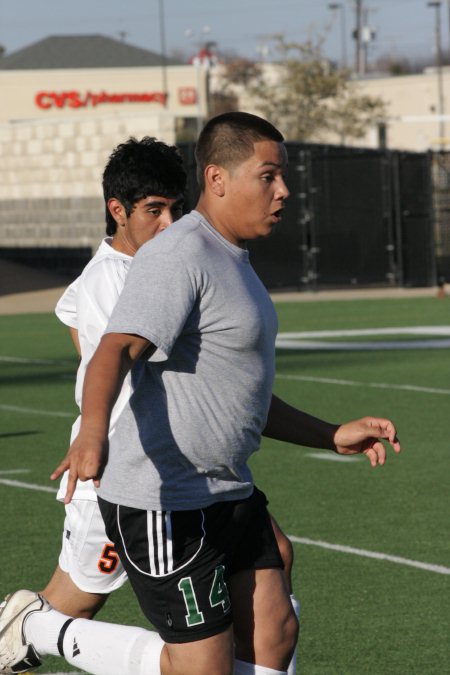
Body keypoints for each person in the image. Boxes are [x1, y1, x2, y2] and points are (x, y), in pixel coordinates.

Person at [0, 112, 400, 675]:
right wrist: (91, 434)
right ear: (217, 179)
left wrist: (330, 435)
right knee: (195, 666)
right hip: (165, 500)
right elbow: (113, 350)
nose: (283, 190)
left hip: (226, 490)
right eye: (268, 176)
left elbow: (240, 396)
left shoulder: (231, 260)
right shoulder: (180, 255)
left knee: (274, 632)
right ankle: (39, 626)